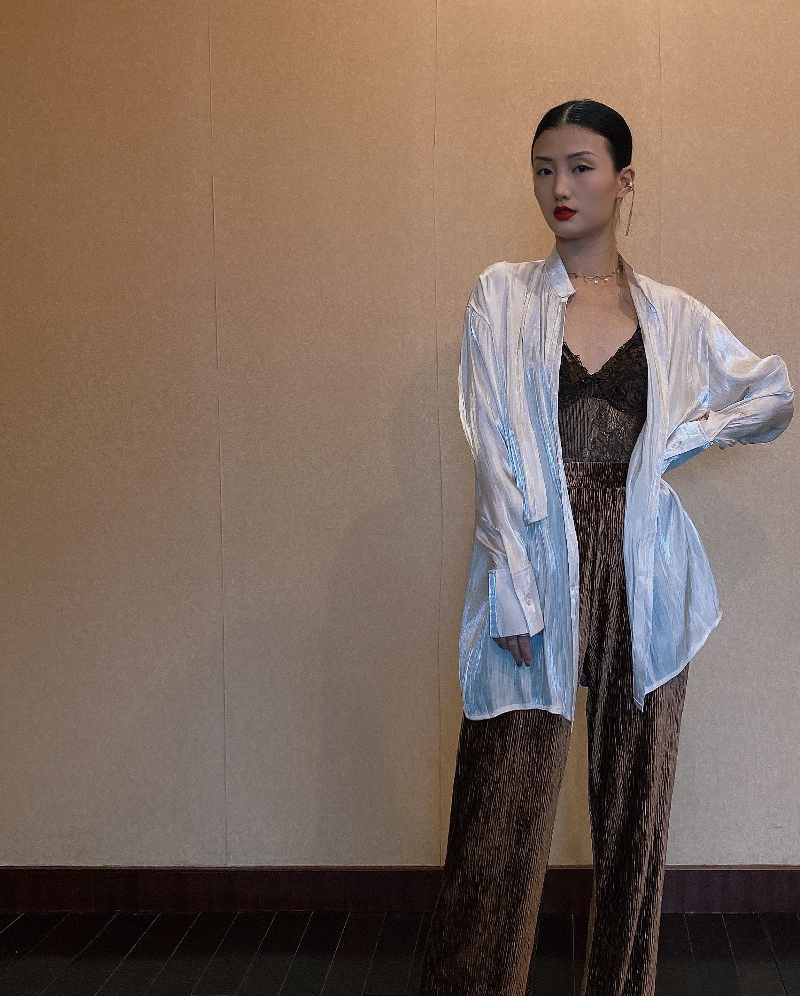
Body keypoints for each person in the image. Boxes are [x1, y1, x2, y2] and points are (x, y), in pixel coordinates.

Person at [417, 99, 794, 996]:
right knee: (499, 810)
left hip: (644, 569)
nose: (560, 185)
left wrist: (677, 443)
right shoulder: (503, 294)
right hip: (536, 563)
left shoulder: (673, 314)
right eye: (544, 167)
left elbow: (772, 394)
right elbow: (495, 451)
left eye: (581, 166)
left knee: (635, 812)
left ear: (624, 181)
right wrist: (513, 587)